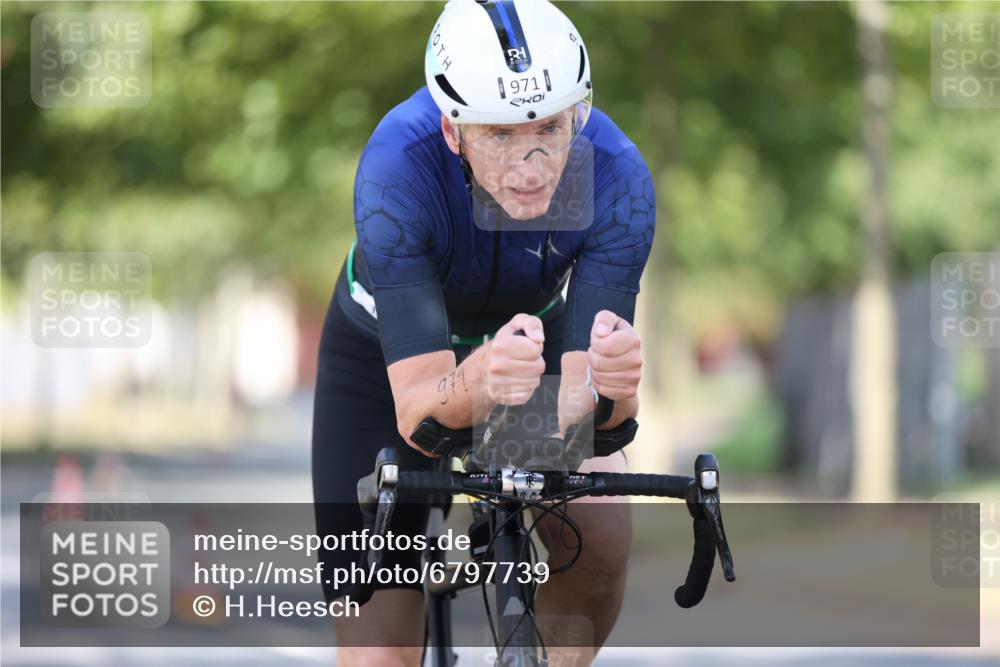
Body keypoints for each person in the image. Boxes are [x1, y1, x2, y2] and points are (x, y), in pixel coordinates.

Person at [311, 1, 655, 665]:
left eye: (550, 127)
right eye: (498, 134)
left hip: (529, 345)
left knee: (603, 533)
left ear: (578, 114)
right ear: (453, 129)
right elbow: (420, 415)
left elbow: (597, 419)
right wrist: (479, 382)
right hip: (381, 359)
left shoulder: (616, 175)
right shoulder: (397, 166)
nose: (530, 164)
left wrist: (616, 393)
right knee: (378, 653)